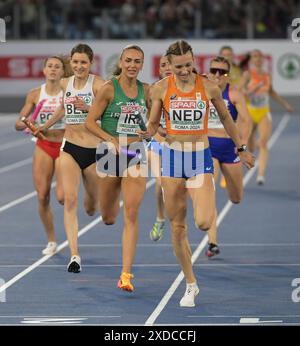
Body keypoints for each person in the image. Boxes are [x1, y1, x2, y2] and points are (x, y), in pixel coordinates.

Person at [144, 40, 254, 307]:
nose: (183, 71)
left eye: (188, 65)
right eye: (178, 66)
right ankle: (191, 283)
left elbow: (228, 119)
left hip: (198, 156)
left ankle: (206, 198)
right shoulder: (160, 89)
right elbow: (154, 123)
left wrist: (241, 148)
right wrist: (150, 132)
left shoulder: (208, 86)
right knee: (177, 226)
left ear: (194, 62)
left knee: (204, 222)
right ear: (168, 65)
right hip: (171, 158)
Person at [85, 45, 150, 292]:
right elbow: (90, 122)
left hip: (135, 152)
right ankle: (93, 195)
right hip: (110, 154)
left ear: (142, 65)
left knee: (131, 214)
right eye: (129, 60)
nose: (133, 65)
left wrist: (152, 132)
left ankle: (126, 274)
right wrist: (109, 138)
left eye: (138, 61)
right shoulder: (109, 89)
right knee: (109, 217)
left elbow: (155, 120)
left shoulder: (147, 90)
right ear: (121, 62)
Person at [39, 44, 105, 272]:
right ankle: (75, 255)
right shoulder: (65, 83)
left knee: (90, 207)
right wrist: (44, 126)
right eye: (75, 62)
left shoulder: (98, 85)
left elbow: (107, 115)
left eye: (83, 62)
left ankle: (91, 194)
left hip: (94, 152)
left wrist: (87, 107)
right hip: (70, 148)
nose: (79, 66)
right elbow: (62, 109)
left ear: (91, 63)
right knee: (69, 200)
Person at [15, 55, 69, 256]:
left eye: (57, 67)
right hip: (44, 145)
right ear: (44, 70)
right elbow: (19, 122)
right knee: (42, 195)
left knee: (62, 197)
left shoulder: (67, 93)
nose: (54, 69)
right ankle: (52, 240)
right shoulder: (35, 94)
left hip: (64, 145)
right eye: (50, 66)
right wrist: (27, 123)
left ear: (63, 72)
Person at [206, 56, 251, 257]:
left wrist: (242, 146)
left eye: (221, 72)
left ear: (227, 75)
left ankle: (233, 192)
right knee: (210, 194)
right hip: (209, 145)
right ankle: (212, 242)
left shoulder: (234, 93)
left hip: (230, 147)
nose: (217, 75)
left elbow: (246, 121)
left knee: (236, 198)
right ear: (209, 71)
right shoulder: (202, 90)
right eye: (213, 70)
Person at [240, 49, 293, 185]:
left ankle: (260, 175)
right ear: (251, 60)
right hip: (250, 112)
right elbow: (239, 93)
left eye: (259, 57)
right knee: (251, 145)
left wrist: (285, 104)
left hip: (263, 112)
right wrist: (253, 90)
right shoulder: (247, 74)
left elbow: (271, 92)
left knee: (263, 143)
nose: (257, 59)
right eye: (254, 57)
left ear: (263, 60)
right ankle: (252, 156)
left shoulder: (267, 75)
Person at [149, 54, 172, 242]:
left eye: (171, 64)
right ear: (159, 70)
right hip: (158, 142)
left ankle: (177, 218)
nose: (168, 67)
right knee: (160, 182)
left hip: (182, 144)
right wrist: (162, 131)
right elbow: (150, 121)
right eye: (164, 65)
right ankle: (160, 217)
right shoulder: (153, 90)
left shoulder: (187, 88)